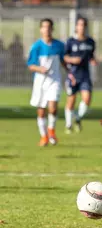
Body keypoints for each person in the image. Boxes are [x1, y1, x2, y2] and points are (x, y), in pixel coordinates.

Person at [27, 18, 65, 146]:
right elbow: (31, 65)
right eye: (44, 27)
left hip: (54, 80)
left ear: (52, 29)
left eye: (49, 27)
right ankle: (44, 137)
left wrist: (70, 73)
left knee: (53, 107)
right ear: (40, 29)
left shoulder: (59, 45)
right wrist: (40, 68)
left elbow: (63, 61)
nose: (46, 29)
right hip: (40, 82)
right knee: (41, 111)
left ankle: (51, 131)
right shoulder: (36, 46)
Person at [64, 17, 97, 134]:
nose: (81, 27)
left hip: (85, 76)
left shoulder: (90, 42)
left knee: (87, 100)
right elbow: (64, 57)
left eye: (84, 25)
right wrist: (72, 59)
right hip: (72, 75)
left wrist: (93, 60)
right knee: (71, 101)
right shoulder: (70, 41)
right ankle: (68, 125)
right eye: (79, 25)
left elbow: (91, 56)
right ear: (76, 27)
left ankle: (77, 118)